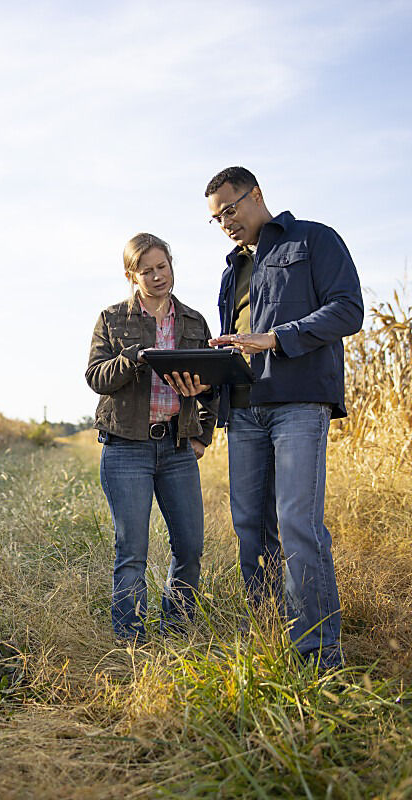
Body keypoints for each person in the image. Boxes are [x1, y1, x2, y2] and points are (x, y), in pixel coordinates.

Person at [172, 166, 363, 670]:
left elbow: (349, 310)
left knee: (298, 523)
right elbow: (233, 341)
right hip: (244, 407)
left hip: (299, 401)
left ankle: (319, 656)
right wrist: (206, 383)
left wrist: (274, 337)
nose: (225, 223)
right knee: (250, 526)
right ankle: (268, 633)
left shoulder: (314, 239)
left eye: (230, 210)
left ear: (256, 195)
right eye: (215, 219)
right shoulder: (231, 269)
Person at [86, 233, 218, 641]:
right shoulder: (112, 319)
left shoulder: (194, 321)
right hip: (127, 448)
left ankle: (178, 630)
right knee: (132, 553)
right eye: (147, 270)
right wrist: (133, 358)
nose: (158, 276)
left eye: (163, 266)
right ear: (132, 275)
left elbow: (216, 385)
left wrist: (203, 437)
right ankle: (131, 640)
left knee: (190, 548)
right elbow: (96, 377)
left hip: (178, 448)